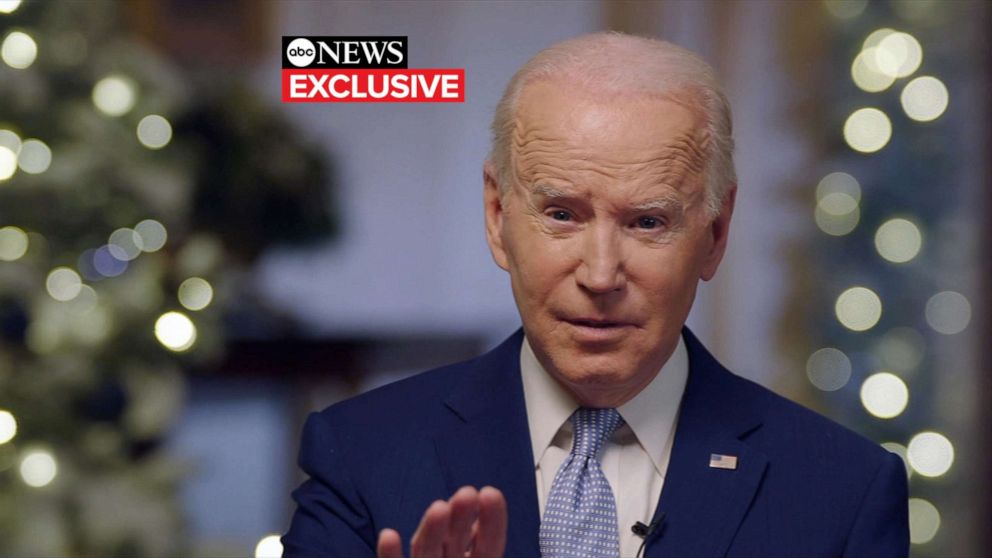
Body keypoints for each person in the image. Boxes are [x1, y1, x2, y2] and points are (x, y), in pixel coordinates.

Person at [282, 32, 909, 558]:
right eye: (561, 214)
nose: (601, 275)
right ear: (498, 216)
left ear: (715, 234)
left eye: (648, 222)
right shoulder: (361, 456)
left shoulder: (842, 493)